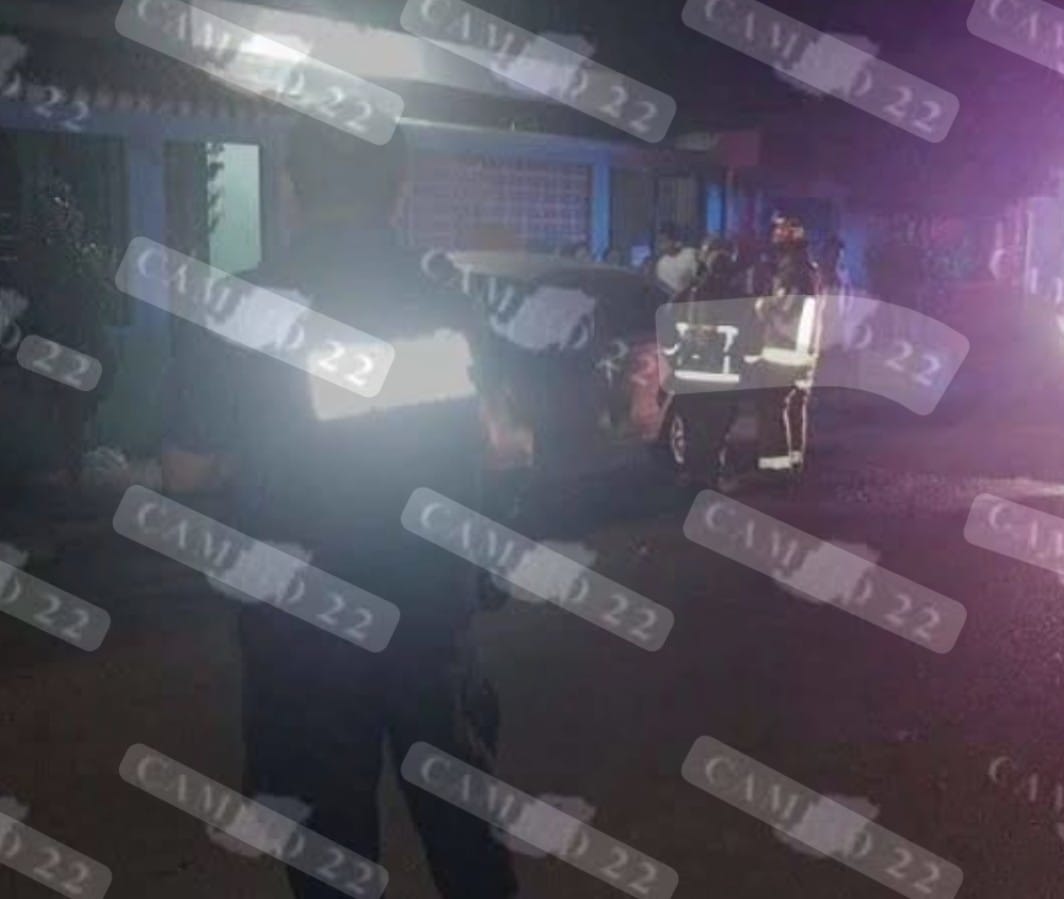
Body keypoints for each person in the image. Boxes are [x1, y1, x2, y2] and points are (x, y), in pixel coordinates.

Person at [162, 118, 518, 899]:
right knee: (465, 832)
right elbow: (497, 445)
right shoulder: (448, 303)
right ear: (400, 188)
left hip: (303, 626)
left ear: (292, 187)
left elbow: (185, 470)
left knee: (329, 843)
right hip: (430, 608)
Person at [752, 219, 822, 478]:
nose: (774, 237)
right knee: (794, 407)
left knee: (771, 407)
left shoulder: (792, 272)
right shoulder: (810, 270)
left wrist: (762, 305)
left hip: (784, 351)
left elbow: (783, 309)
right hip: (805, 352)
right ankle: (794, 461)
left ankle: (775, 469)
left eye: (778, 233)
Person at [654, 223, 700, 297]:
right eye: (660, 241)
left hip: (694, 297)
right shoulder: (661, 263)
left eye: (665, 240)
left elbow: (700, 277)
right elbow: (663, 287)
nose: (662, 244)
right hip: (674, 300)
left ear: (673, 240)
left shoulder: (690, 253)